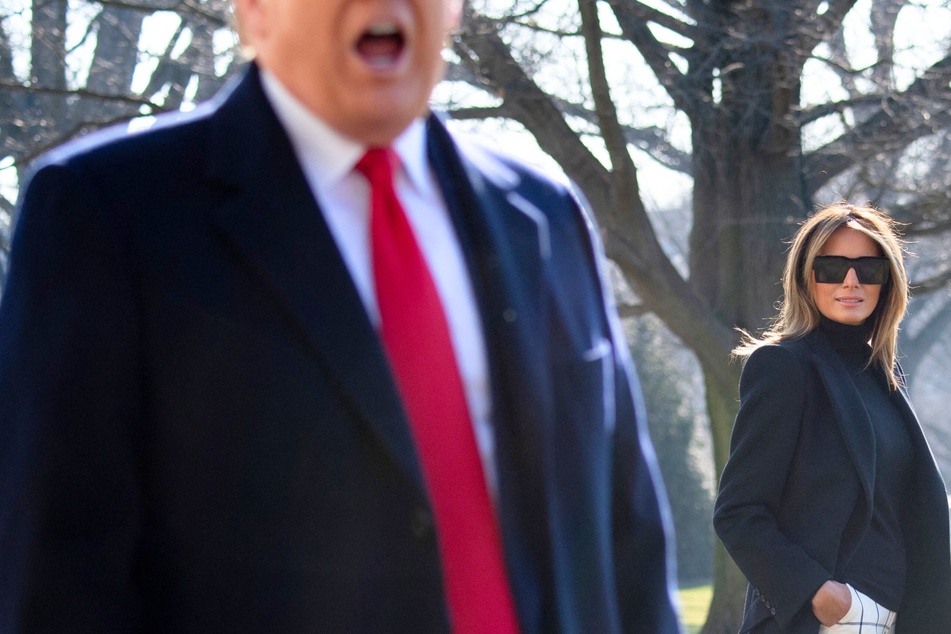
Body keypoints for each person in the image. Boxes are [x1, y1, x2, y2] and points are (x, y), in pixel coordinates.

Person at [0, 0, 682, 632]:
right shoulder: (106, 216)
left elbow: (630, 549)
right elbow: (56, 582)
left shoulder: (544, 214)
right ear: (256, 13)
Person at [714, 202, 951, 633]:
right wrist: (817, 593)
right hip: (832, 619)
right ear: (806, 277)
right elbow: (739, 512)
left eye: (868, 268)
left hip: (900, 618)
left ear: (887, 280)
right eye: (832, 267)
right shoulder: (783, 367)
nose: (851, 280)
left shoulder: (881, 375)